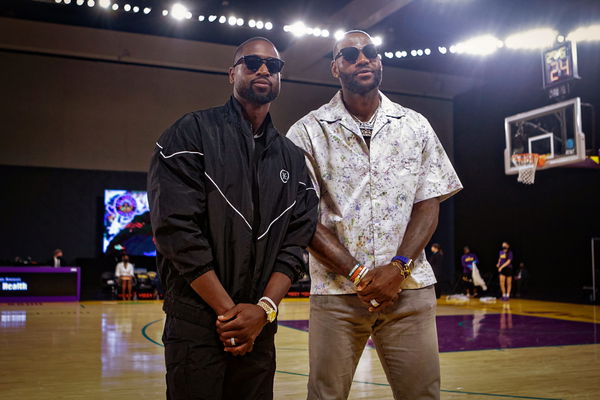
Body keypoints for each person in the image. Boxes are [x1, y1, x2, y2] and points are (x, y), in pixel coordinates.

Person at [286, 30, 462, 400]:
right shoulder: (307, 131)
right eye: (350, 54)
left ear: (380, 61)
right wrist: (360, 274)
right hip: (337, 293)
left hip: (409, 290)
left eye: (369, 52)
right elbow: (303, 218)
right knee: (325, 395)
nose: (362, 59)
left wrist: (397, 269)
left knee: (422, 395)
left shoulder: (415, 125)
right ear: (336, 67)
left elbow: (428, 204)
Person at [147, 37, 318, 400]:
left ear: (279, 78)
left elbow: (295, 243)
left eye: (273, 66)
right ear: (231, 73)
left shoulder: (292, 158)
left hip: (259, 329)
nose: (263, 70)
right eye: (252, 62)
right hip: (197, 323)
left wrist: (262, 312)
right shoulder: (191, 133)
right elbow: (176, 232)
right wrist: (230, 315)